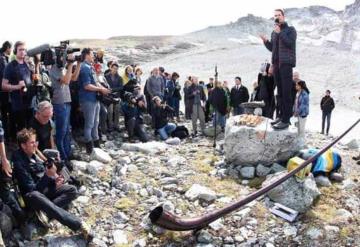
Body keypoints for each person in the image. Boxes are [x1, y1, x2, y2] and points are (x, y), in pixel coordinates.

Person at [11, 129, 92, 239]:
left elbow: (42, 174)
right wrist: (48, 176)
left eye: (36, 141)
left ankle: (46, 213)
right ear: (23, 145)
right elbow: (32, 189)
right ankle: (78, 224)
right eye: (32, 142)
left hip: (44, 190)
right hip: (32, 197)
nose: (35, 145)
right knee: (35, 195)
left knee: (71, 190)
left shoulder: (34, 154)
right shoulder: (18, 162)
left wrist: (54, 180)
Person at [260, 8, 297, 130]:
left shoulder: (290, 30)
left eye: (279, 15)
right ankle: (281, 116)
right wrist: (266, 42)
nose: (277, 17)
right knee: (279, 93)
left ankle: (286, 119)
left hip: (286, 65)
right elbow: (273, 49)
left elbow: (290, 43)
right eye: (275, 15)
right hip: (276, 66)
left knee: (286, 93)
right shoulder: (274, 32)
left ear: (283, 16)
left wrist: (280, 32)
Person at [49, 52, 81, 162]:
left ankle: (67, 153)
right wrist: (71, 64)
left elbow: (74, 78)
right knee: (61, 131)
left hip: (67, 101)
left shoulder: (62, 68)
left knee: (67, 130)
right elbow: (66, 81)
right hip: (59, 102)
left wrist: (79, 63)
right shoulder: (54, 69)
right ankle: (62, 157)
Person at [78, 48, 110, 154]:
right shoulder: (85, 67)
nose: (93, 56)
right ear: (87, 55)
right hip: (87, 99)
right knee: (89, 124)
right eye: (92, 54)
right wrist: (101, 89)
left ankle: (96, 145)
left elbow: (95, 82)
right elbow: (86, 86)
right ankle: (89, 148)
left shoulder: (90, 67)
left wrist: (103, 88)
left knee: (96, 123)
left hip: (94, 99)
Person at [2, 41, 33, 137]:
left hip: (30, 103)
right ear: (15, 51)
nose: (22, 52)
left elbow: (33, 79)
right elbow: (3, 85)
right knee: (22, 133)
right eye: (20, 50)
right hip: (18, 105)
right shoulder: (10, 66)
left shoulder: (28, 64)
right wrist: (17, 87)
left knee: (31, 130)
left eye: (24, 50)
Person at [105, 63, 124, 131]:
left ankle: (116, 125)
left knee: (117, 111)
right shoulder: (106, 76)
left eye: (116, 69)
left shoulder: (119, 78)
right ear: (111, 68)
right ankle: (110, 126)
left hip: (116, 96)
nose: (115, 70)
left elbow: (121, 87)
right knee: (110, 111)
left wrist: (112, 89)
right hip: (109, 97)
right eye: (114, 68)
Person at [0, 41, 12, 142]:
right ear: (7, 47)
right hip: (4, 93)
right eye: (10, 48)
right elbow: (5, 75)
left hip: (3, 92)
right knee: (5, 116)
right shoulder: (2, 58)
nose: (11, 51)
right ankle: (6, 139)